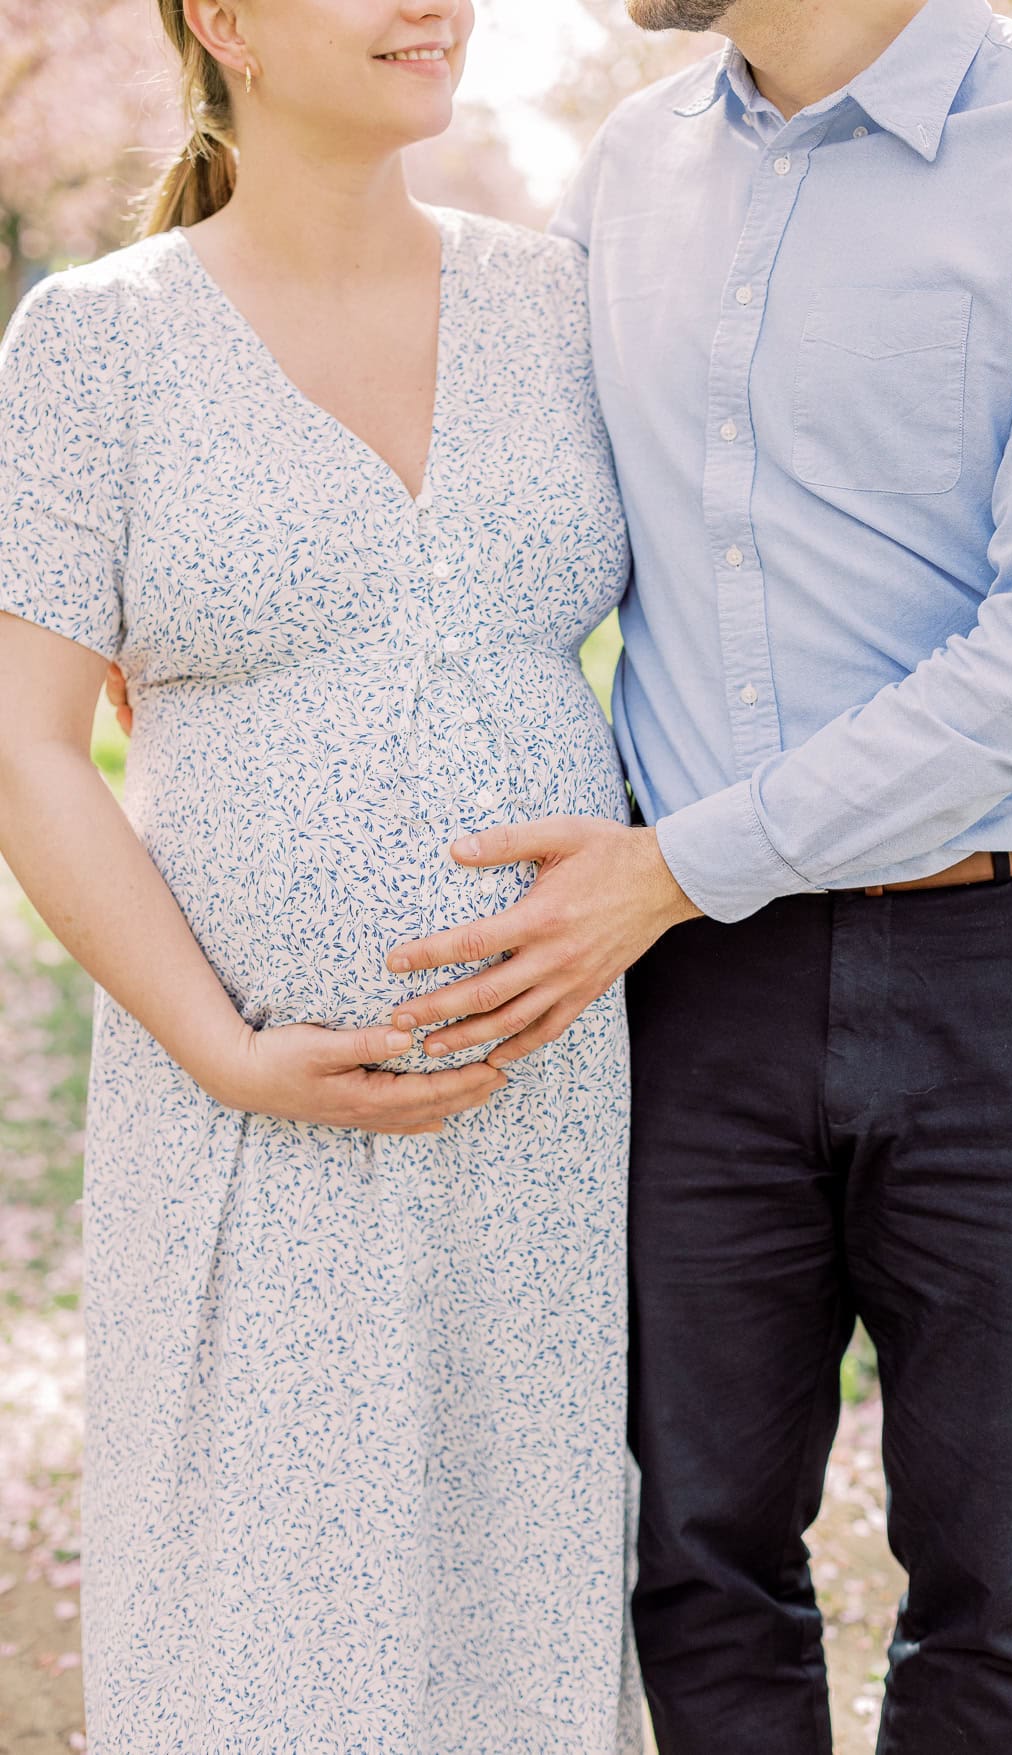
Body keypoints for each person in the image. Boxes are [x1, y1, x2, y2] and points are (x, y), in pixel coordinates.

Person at [384, 0, 1012, 1750]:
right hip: (694, 989)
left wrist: (676, 867)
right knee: (692, 1552)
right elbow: (531, 521)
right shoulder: (628, 172)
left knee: (994, 1585)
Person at [0, 1, 649, 1748]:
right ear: (223, 22)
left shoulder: (562, 300)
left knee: (519, 1625)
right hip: (245, 1125)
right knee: (262, 1649)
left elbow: (760, 552)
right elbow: (29, 743)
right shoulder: (95, 344)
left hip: (547, 1115)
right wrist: (222, 1047)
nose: (435, 4)